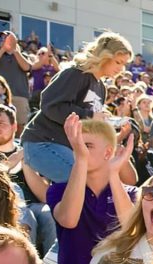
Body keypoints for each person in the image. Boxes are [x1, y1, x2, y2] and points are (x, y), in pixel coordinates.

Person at [45, 114, 136, 264]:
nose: (80, 150)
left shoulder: (131, 194)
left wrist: (114, 175)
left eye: (87, 145)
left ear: (107, 152)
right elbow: (68, 219)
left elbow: (132, 228)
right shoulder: (59, 190)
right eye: (77, 146)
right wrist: (81, 161)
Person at [21, 32, 133, 183]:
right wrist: (90, 116)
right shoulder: (76, 73)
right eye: (118, 62)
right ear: (105, 57)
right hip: (43, 142)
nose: (121, 69)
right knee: (86, 183)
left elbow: (85, 120)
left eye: (124, 64)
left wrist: (105, 122)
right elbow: (51, 106)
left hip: (66, 148)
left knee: (95, 183)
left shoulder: (101, 87)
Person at [0, 104, 56, 256]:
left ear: (14, 126)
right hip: (0, 207)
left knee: (49, 213)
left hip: (35, 205)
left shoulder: (30, 152)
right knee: (25, 215)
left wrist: (26, 162)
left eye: (1, 123)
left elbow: (44, 196)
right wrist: (10, 163)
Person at [0, 31, 31, 131]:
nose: (5, 40)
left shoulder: (22, 55)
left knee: (20, 124)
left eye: (8, 38)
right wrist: (2, 49)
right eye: (3, 38)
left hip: (19, 94)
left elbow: (26, 67)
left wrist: (15, 51)